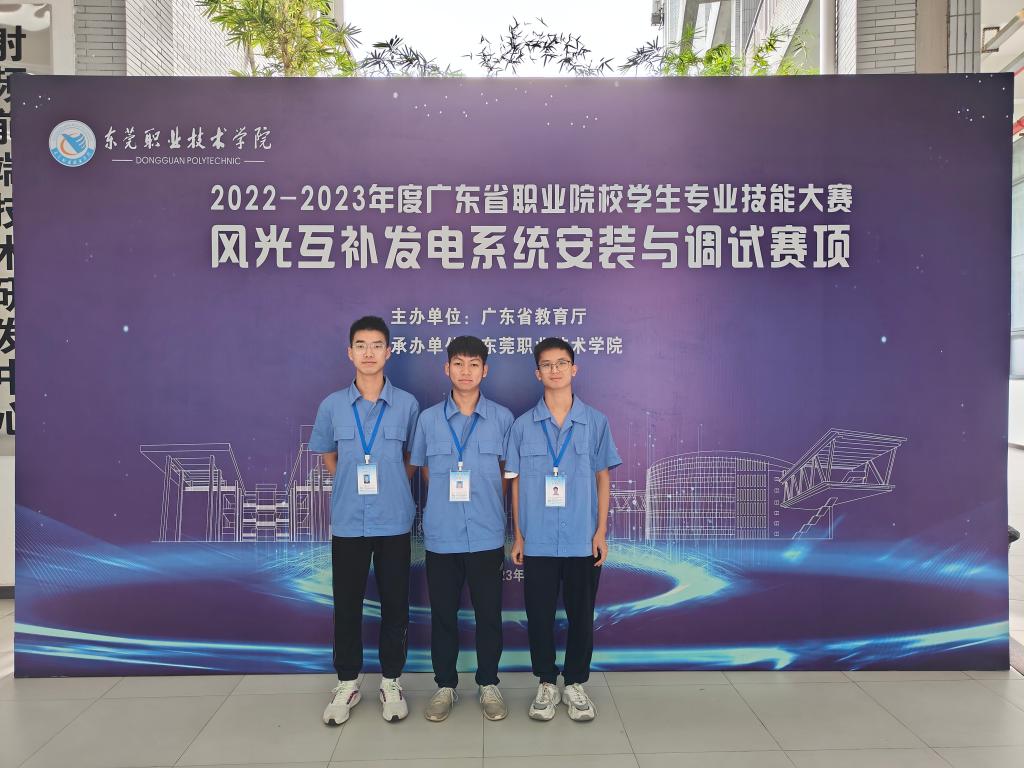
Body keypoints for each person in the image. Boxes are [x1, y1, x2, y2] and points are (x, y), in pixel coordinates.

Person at [310, 316, 420, 725]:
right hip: (348, 520)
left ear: (389, 352)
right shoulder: (332, 405)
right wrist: (353, 487)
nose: (369, 352)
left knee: (395, 605)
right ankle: (348, 681)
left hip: (393, 520)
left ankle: (391, 680)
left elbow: (412, 458)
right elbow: (329, 457)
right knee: (347, 605)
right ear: (350, 352)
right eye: (361, 345)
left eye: (377, 345)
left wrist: (390, 484)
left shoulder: (407, 405)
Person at [505, 337, 621, 722]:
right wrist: (519, 534)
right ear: (537, 373)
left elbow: (603, 478)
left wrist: (600, 532)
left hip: (581, 538)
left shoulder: (595, 422)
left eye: (561, 363)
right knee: (538, 615)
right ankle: (545, 681)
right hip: (537, 539)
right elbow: (515, 482)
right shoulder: (522, 426)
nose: (554, 370)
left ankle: (574, 683)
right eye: (547, 364)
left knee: (581, 615)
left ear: (574, 369)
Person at [409, 336, 514, 722]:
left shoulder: (502, 419)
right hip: (442, 533)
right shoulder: (428, 420)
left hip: (487, 533)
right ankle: (445, 686)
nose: (465, 371)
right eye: (458, 363)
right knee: (443, 615)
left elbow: (507, 472)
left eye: (473, 364)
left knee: (488, 615)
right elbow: (423, 470)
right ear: (446, 368)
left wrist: (482, 499)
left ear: (485, 370)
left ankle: (488, 683)